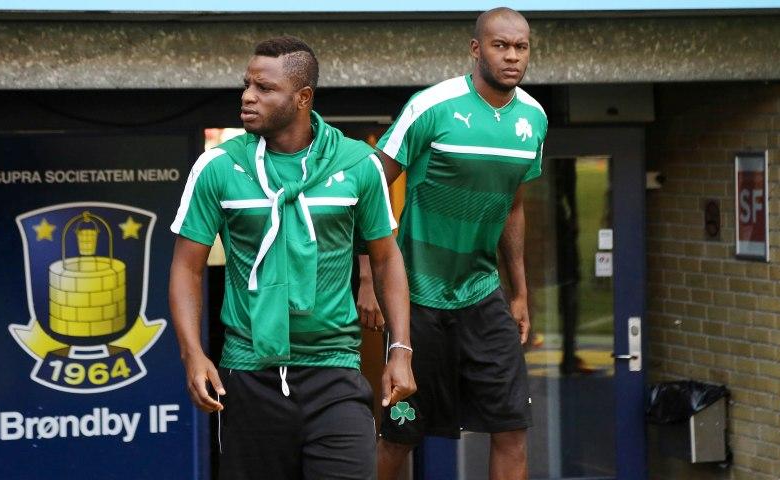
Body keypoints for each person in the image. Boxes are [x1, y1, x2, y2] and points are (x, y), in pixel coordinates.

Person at [169, 36, 415, 480]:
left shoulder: (358, 164)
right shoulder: (218, 166)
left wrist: (400, 350)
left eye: (264, 88)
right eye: (247, 85)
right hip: (249, 374)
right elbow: (187, 267)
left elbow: (385, 260)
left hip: (335, 371)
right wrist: (192, 353)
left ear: (302, 98)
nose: (248, 96)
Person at [357, 8, 547, 480]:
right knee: (400, 436)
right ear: (476, 49)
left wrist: (519, 292)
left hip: (482, 295)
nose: (512, 56)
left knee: (512, 428)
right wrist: (367, 277)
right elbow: (370, 188)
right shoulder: (432, 106)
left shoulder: (534, 118)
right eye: (501, 46)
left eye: (521, 47)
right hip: (415, 297)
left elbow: (513, 207)